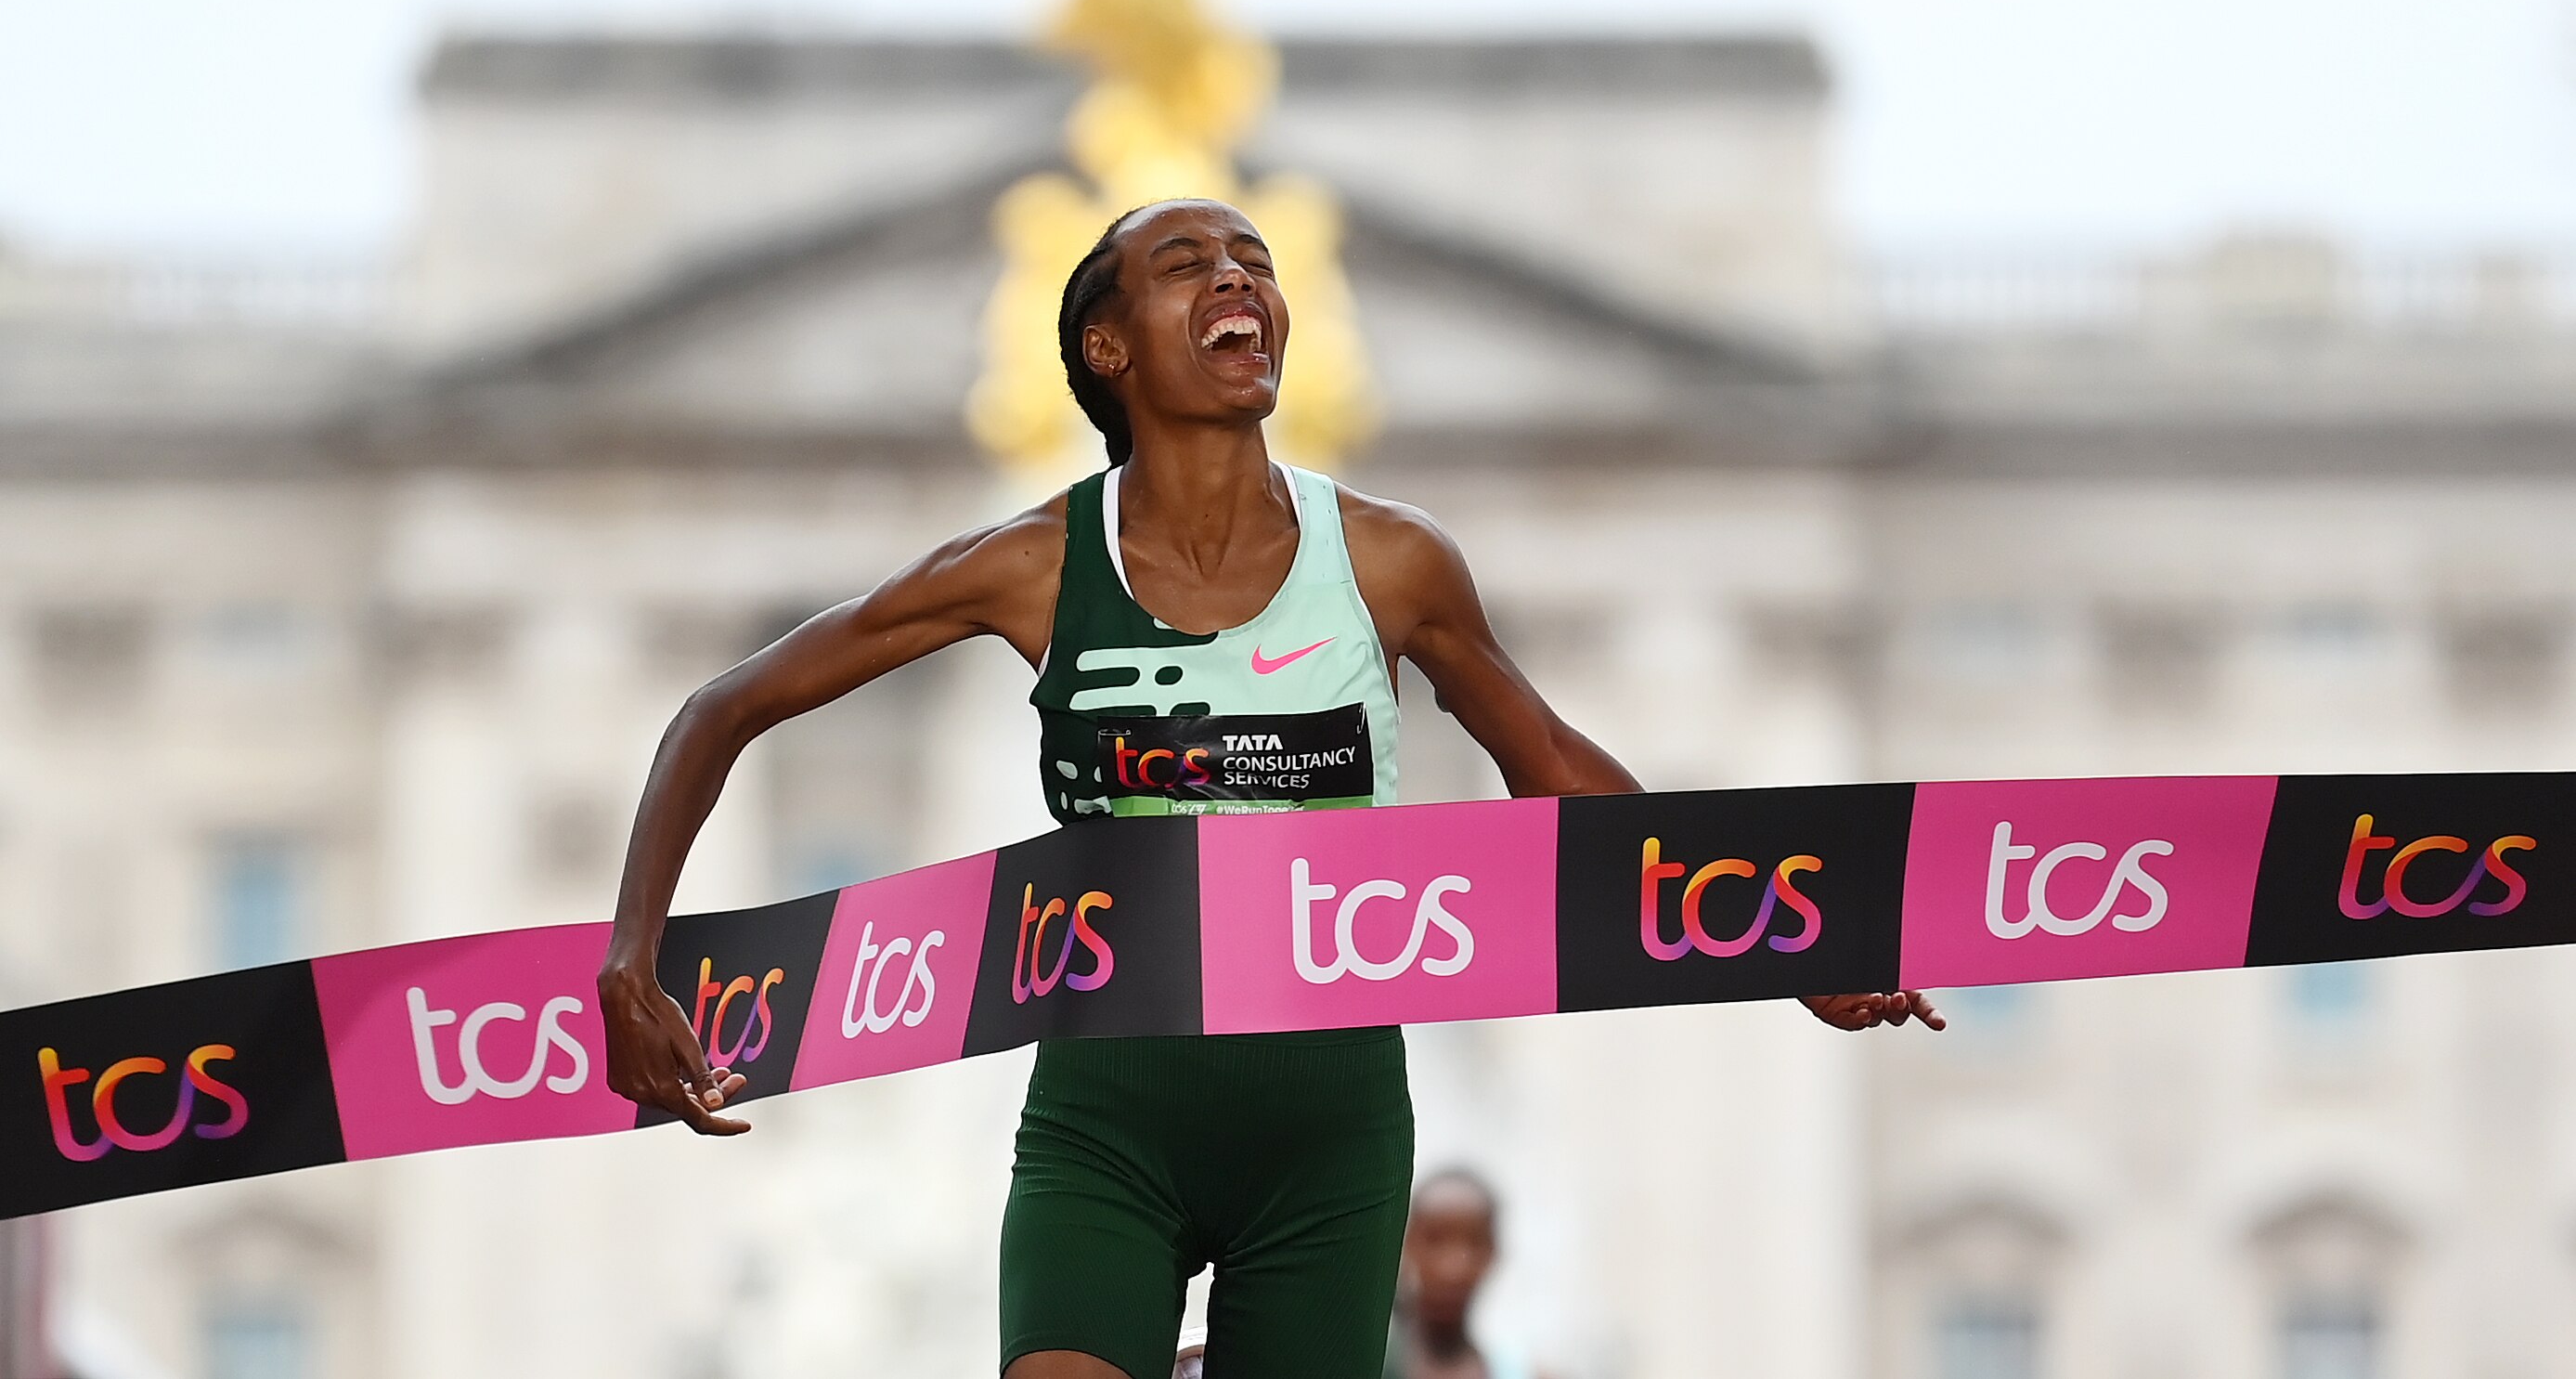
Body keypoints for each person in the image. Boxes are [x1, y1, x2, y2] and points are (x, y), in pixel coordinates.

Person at [595, 197, 1944, 1379]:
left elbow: (1550, 767)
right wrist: (630, 957)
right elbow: (721, 710)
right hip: (1108, 1116)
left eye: (1253, 260)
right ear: (1108, 348)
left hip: (1330, 1130)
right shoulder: (1030, 566)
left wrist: (1787, 935)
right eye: (1186, 263)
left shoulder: (1393, 560)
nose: (1238, 276)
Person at [1385, 1169, 1539, 1379]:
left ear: (1493, 1252)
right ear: (1406, 1246)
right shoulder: (1365, 1365)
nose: (1453, 1268)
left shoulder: (1520, 1372)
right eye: (1435, 1240)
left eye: (1474, 1243)